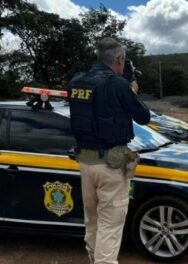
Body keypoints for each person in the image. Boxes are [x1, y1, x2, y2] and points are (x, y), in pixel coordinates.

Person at [67, 37, 150, 264]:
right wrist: (131, 90)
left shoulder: (77, 82)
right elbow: (144, 116)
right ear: (119, 60)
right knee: (110, 226)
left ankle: (94, 259)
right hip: (111, 166)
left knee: (92, 221)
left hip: (86, 163)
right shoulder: (118, 84)